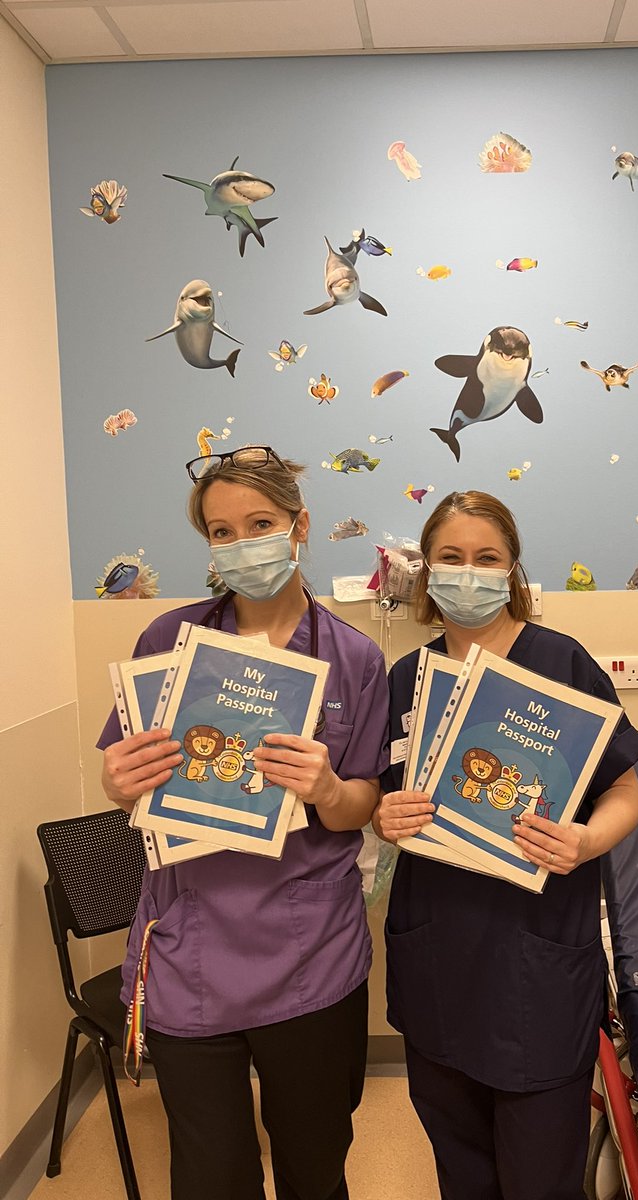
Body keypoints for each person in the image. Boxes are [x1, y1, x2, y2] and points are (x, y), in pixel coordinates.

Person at [98, 445, 389, 1200]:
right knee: (212, 1175)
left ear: (300, 526)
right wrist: (117, 783)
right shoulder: (167, 641)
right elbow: (131, 781)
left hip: (311, 949)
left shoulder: (353, 657)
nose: (241, 544)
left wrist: (327, 787)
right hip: (190, 946)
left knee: (314, 1165)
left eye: (260, 524)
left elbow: (363, 804)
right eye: (222, 532)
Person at [374, 491, 638, 1200]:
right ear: (427, 571)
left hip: (537, 959)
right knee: (461, 1169)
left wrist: (586, 839)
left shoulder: (561, 663)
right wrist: (384, 816)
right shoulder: (407, 679)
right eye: (451, 558)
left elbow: (628, 791)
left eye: (486, 558)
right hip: (438, 957)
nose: (468, 573)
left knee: (540, 1177)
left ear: (512, 570)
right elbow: (380, 798)